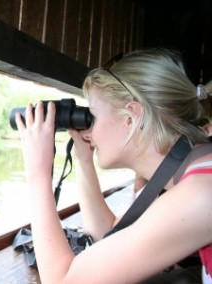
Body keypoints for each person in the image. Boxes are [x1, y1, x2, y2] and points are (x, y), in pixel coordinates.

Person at [14, 48, 212, 283]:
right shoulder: (192, 168)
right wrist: (83, 159)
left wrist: (38, 173)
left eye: (93, 115)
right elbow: (108, 231)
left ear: (131, 118)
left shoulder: (200, 193)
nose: (88, 128)